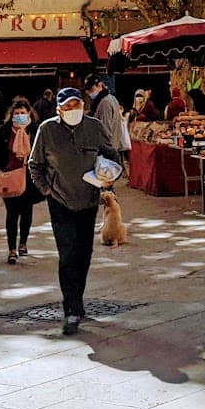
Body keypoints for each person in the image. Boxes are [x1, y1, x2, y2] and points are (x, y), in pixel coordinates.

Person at [28, 87, 120, 334]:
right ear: (59, 109)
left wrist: (110, 177)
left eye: (76, 105)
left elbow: (112, 155)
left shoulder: (94, 127)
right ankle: (71, 308)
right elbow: (34, 165)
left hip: (89, 200)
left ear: (83, 106)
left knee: (84, 254)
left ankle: (77, 300)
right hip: (60, 201)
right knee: (67, 254)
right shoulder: (46, 130)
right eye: (67, 106)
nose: (72, 110)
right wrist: (47, 190)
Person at [0, 97, 41, 265]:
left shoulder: (35, 131)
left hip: (29, 178)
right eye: (17, 113)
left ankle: (23, 242)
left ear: (29, 114)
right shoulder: (4, 131)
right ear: (12, 115)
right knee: (12, 214)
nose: (20, 116)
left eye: (23, 113)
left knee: (27, 212)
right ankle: (11, 249)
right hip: (9, 177)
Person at [85, 75, 126, 153]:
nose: (89, 92)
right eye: (88, 90)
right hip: (112, 146)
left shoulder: (104, 102)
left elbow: (106, 130)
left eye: (91, 89)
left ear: (99, 85)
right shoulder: (111, 98)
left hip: (107, 150)